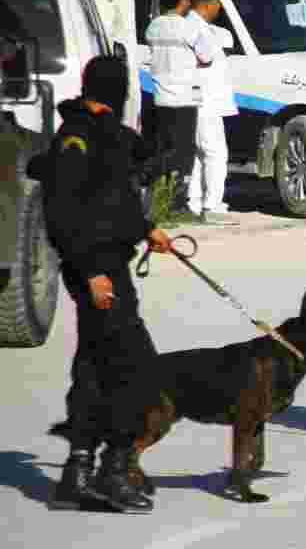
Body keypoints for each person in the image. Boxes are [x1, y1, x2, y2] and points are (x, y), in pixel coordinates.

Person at [40, 56, 172, 512]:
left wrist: (145, 228)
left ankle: (76, 471)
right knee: (136, 368)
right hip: (96, 269)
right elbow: (64, 211)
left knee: (95, 366)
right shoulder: (76, 137)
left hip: (109, 263)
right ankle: (113, 470)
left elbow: (111, 200)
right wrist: (91, 270)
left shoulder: (106, 133)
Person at [144, 0, 216, 217]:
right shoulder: (188, 28)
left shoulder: (153, 26)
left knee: (163, 150)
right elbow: (207, 57)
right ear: (183, 2)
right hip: (184, 97)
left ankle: (158, 201)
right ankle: (177, 205)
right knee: (184, 153)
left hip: (159, 97)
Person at [185, 0, 238, 225]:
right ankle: (212, 205)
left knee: (198, 153)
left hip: (194, 98)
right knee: (215, 153)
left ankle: (194, 203)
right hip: (205, 100)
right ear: (207, 5)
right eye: (218, 3)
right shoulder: (199, 29)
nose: (220, 8)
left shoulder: (190, 24)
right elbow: (205, 57)